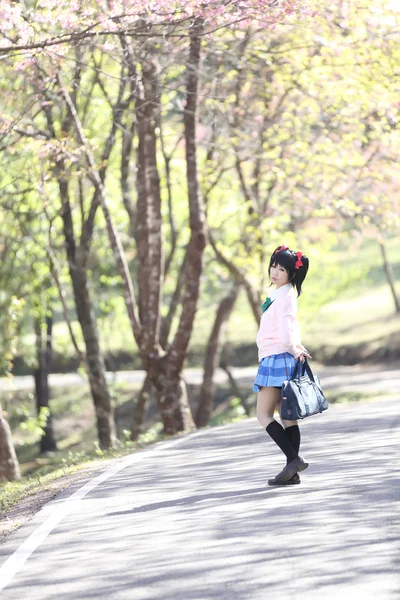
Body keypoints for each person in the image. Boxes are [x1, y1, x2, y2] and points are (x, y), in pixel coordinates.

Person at [253, 245, 311, 486]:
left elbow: (287, 332)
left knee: (263, 414)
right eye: (273, 266)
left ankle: (293, 459)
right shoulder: (279, 293)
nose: (275, 272)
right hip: (278, 357)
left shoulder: (286, 296)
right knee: (287, 417)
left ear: (292, 274)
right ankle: (292, 472)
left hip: (277, 358)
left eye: (282, 269)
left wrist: (295, 347)